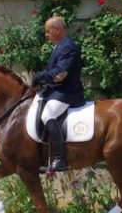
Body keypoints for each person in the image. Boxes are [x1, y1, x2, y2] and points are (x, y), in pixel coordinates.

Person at [32, 16, 85, 172]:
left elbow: (60, 74)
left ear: (57, 29)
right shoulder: (59, 46)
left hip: (68, 91)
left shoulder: (68, 47)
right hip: (58, 90)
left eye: (48, 31)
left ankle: (60, 159)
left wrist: (40, 76)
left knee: (48, 115)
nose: (46, 35)